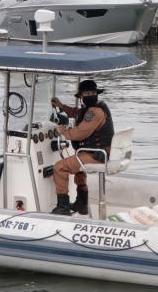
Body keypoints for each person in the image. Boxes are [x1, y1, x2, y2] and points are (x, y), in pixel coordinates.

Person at [49, 80, 114, 216]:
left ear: (96, 94)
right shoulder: (94, 108)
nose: (90, 95)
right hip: (99, 152)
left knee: (59, 167)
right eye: (87, 93)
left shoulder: (94, 112)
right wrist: (61, 106)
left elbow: (79, 133)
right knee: (79, 171)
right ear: (81, 96)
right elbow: (77, 113)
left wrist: (63, 130)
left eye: (92, 93)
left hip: (96, 155)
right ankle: (82, 203)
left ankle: (63, 207)